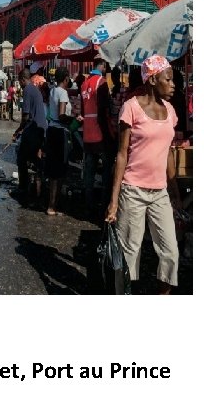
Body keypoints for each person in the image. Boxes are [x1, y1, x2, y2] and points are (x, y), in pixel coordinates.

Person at [105, 55, 181, 294]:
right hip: (132, 190)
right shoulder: (131, 108)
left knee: (170, 252)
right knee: (129, 252)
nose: (173, 84)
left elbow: (168, 153)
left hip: (160, 193)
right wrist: (114, 200)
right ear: (152, 80)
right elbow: (121, 155)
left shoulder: (170, 111)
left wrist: (174, 190)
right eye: (167, 79)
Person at [80, 58, 115, 211]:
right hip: (99, 133)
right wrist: (108, 135)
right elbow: (102, 110)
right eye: (106, 66)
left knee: (90, 170)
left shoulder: (84, 84)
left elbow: (82, 111)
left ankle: (88, 202)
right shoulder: (101, 82)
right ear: (102, 66)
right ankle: (104, 203)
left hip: (87, 133)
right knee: (106, 170)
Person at [11, 67, 47, 207]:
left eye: (19, 81)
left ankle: (23, 187)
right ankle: (40, 181)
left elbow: (25, 115)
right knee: (33, 157)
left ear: (22, 80)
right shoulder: (34, 89)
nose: (19, 84)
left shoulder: (27, 90)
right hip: (40, 127)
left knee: (21, 158)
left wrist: (19, 129)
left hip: (33, 128)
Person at [44, 67, 72, 216]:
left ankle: (52, 204)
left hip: (51, 130)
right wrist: (75, 119)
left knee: (53, 170)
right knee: (59, 170)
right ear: (66, 78)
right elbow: (61, 115)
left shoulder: (53, 91)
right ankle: (52, 206)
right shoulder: (63, 92)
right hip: (60, 132)